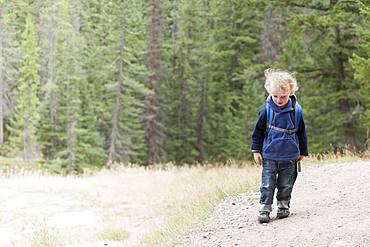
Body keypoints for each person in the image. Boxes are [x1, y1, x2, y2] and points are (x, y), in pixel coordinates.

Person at [251, 68, 308, 223]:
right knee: (267, 184)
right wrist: (256, 150)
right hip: (269, 156)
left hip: (290, 157)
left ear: (290, 92)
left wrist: (302, 151)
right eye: (275, 96)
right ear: (269, 92)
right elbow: (257, 132)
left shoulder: (296, 111)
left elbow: (302, 132)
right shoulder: (266, 111)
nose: (278, 99)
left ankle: (283, 206)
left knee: (286, 184)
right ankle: (265, 208)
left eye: (282, 96)